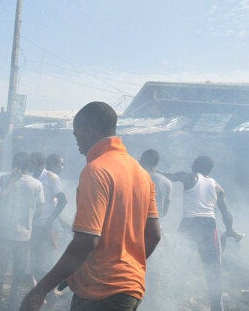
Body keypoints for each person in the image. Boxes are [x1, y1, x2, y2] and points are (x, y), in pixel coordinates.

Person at [21, 101, 161, 311]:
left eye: (77, 136)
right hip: (129, 290)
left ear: (89, 131)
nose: (78, 145)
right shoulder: (141, 173)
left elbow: (86, 241)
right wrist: (128, 268)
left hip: (100, 293)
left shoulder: (96, 170)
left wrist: (40, 290)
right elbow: (154, 235)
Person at [164, 156, 243, 311]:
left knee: (178, 267)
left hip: (189, 225)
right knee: (213, 272)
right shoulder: (217, 187)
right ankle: (216, 308)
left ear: (196, 165)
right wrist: (231, 231)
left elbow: (168, 177)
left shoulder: (190, 176)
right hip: (208, 227)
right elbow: (226, 214)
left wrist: (147, 169)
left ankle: (172, 304)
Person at [0, 152, 44, 309]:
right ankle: (13, 303)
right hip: (23, 235)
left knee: (0, 270)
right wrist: (29, 221)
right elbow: (41, 209)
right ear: (29, 166)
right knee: (18, 272)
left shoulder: (4, 179)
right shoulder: (36, 184)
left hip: (4, 233)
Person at [139, 149, 172, 218]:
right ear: (156, 163)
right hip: (156, 221)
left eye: (140, 160)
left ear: (143, 160)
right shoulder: (166, 182)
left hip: (137, 221)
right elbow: (166, 207)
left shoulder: (136, 177)